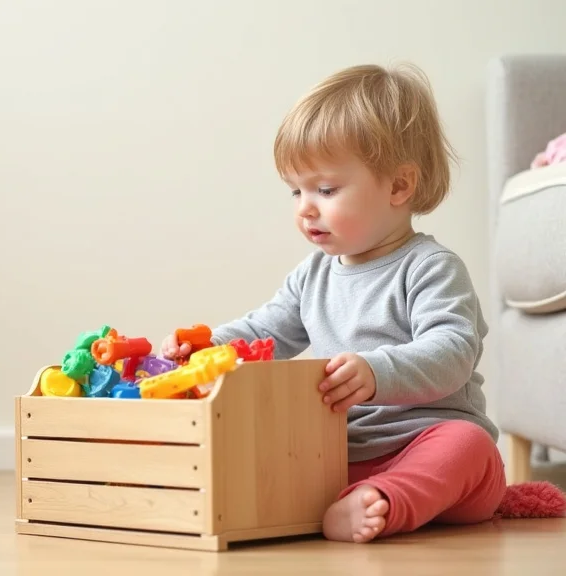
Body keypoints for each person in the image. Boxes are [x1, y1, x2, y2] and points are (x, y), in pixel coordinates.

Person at [160, 63, 507, 543]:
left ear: (399, 186)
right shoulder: (313, 275)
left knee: (471, 448)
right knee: (271, 433)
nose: (305, 207)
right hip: (338, 453)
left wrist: (375, 371)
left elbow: (452, 352)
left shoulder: (430, 267)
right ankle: (340, 499)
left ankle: (387, 500)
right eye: (296, 190)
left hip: (428, 444)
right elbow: (267, 332)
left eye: (325, 190)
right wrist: (210, 346)